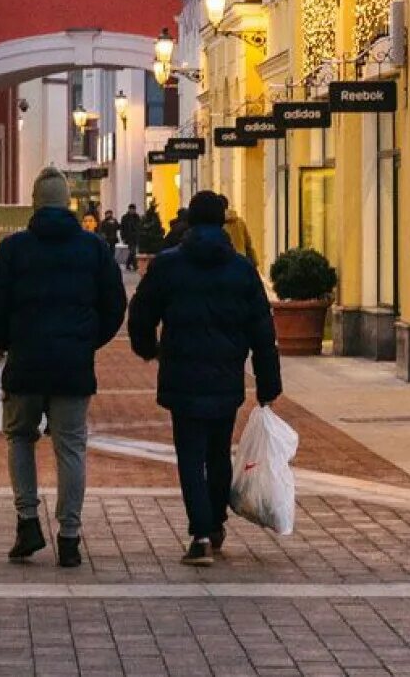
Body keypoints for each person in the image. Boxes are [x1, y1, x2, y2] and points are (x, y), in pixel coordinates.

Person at [128, 191, 282, 566]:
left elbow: (141, 312)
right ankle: (215, 524)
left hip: (182, 373)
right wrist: (267, 382)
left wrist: (149, 347)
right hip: (226, 374)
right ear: (222, 222)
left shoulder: (168, 266)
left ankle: (199, 532)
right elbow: (263, 329)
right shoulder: (242, 270)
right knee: (218, 452)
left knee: (190, 454)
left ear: (191, 222)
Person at [0, 166, 127, 568]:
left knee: (20, 439)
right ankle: (69, 535)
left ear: (35, 202)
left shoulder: (13, 250)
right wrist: (87, 340)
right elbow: (115, 304)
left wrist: (10, 342)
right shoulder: (93, 249)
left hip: (26, 362)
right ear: (67, 203)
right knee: (71, 447)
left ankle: (27, 522)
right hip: (72, 365)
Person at [223, 199, 259, 266]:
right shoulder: (240, 222)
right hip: (242, 261)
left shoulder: (219, 224)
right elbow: (248, 244)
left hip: (226, 264)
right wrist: (254, 262)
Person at [119, 204, 142, 271]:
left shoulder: (137, 217)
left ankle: (129, 264)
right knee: (133, 251)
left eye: (133, 209)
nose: (132, 211)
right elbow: (122, 228)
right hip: (128, 237)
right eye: (131, 209)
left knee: (133, 251)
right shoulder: (125, 217)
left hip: (135, 237)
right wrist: (123, 237)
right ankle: (133, 265)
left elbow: (139, 226)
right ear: (129, 209)